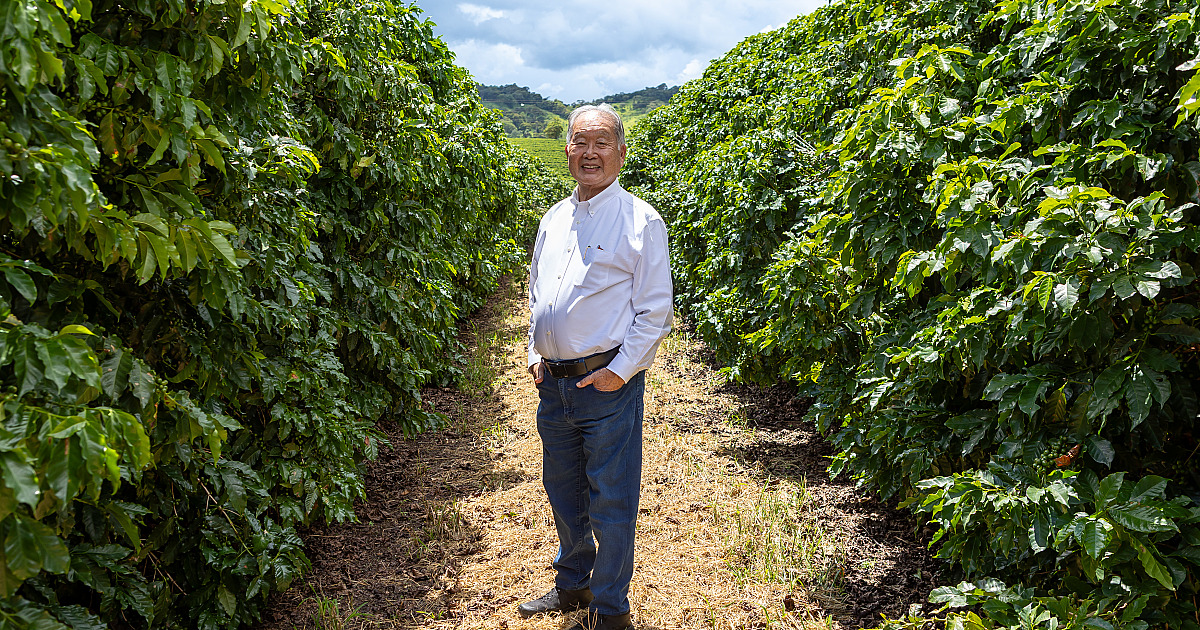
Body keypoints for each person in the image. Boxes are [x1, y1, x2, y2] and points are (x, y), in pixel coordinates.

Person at [519, 104, 674, 630]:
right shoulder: (554, 218)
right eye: (580, 142)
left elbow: (656, 310)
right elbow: (540, 288)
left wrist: (622, 370)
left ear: (621, 152)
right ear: (566, 151)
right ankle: (574, 585)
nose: (590, 153)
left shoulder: (641, 220)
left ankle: (611, 611)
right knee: (563, 492)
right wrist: (540, 349)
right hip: (555, 384)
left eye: (601, 143)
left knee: (611, 499)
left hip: (606, 383)